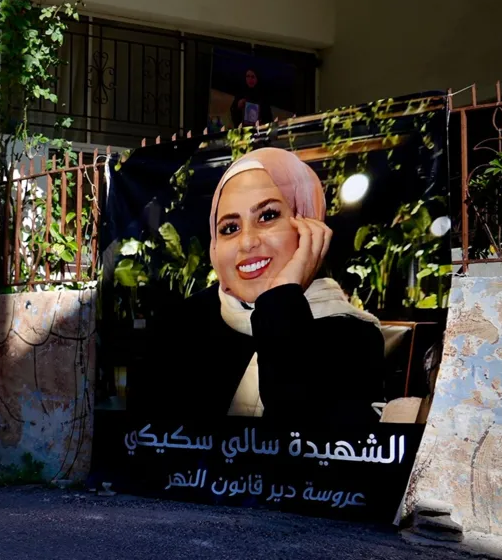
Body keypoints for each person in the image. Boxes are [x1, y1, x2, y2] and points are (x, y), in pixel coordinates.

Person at [152, 147, 385, 424]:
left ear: (309, 222)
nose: (247, 241)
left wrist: (282, 297)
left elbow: (304, 441)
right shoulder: (183, 325)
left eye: (267, 216)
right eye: (229, 228)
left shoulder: (351, 335)